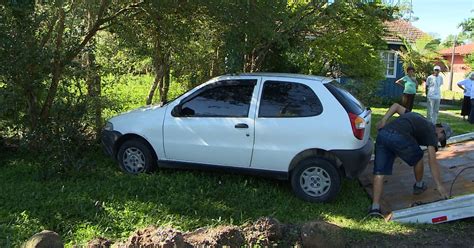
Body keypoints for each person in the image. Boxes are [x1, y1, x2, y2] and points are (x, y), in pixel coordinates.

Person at [368, 103, 453, 216]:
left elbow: (396, 106)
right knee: (418, 157)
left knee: (379, 172)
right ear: (440, 130)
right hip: (398, 136)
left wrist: (384, 120)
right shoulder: (432, 132)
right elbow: (432, 161)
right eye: (441, 138)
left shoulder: (417, 116)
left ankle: (375, 207)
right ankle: (418, 185)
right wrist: (439, 185)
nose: (438, 141)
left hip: (383, 134)